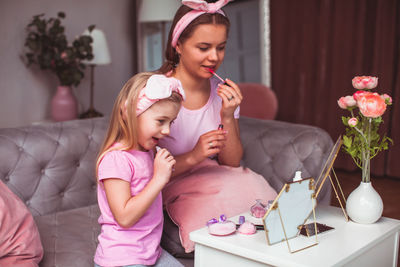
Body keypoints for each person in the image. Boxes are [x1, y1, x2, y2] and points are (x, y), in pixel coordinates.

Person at [157, 0, 278, 252]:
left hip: (214, 176)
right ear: (178, 45)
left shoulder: (221, 94)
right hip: (169, 183)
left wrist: (227, 115)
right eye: (203, 47)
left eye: (220, 48)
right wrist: (194, 156)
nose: (214, 57)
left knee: (255, 189)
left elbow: (231, 163)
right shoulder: (155, 93)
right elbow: (142, 171)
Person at [94, 73, 185, 267]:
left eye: (171, 122)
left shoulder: (149, 152)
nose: (167, 130)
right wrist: (158, 180)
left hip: (151, 253)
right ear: (128, 114)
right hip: (120, 259)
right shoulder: (116, 159)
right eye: (161, 121)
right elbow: (125, 217)